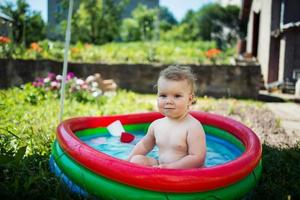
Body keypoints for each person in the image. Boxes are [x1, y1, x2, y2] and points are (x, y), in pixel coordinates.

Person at [127, 65, 206, 169]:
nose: (168, 101)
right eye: (163, 96)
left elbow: (197, 158)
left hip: (184, 173)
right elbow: (144, 145)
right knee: (136, 160)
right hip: (161, 166)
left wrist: (170, 167)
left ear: (190, 100)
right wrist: (126, 162)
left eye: (177, 96)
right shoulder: (156, 125)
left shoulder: (192, 127)